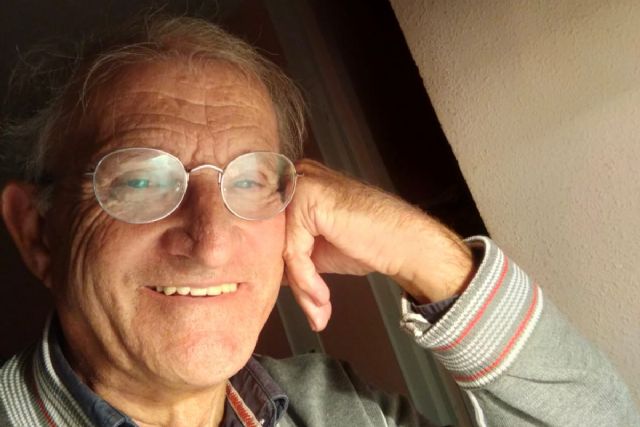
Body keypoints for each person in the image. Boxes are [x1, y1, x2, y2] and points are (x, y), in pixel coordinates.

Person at [0, 14, 637, 427]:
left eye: (250, 181)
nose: (212, 241)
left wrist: (424, 255)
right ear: (36, 232)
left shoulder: (343, 407)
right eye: (140, 180)